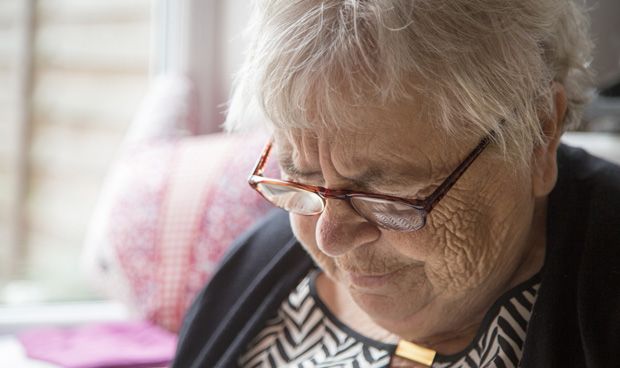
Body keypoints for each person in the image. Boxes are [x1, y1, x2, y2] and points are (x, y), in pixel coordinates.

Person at [173, 1, 620, 367]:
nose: (330, 238)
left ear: (539, 135)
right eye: (302, 176)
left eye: (385, 194)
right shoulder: (256, 266)